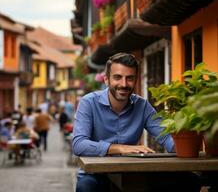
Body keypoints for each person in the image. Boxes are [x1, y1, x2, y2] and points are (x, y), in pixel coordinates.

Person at [72, 53, 201, 192]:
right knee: (85, 187)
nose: (124, 84)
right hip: (96, 174)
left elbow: (167, 138)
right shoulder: (88, 102)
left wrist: (192, 135)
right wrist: (119, 148)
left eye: (130, 78)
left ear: (136, 80)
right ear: (106, 80)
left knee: (190, 180)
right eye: (117, 77)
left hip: (131, 171)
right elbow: (79, 144)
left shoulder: (142, 105)